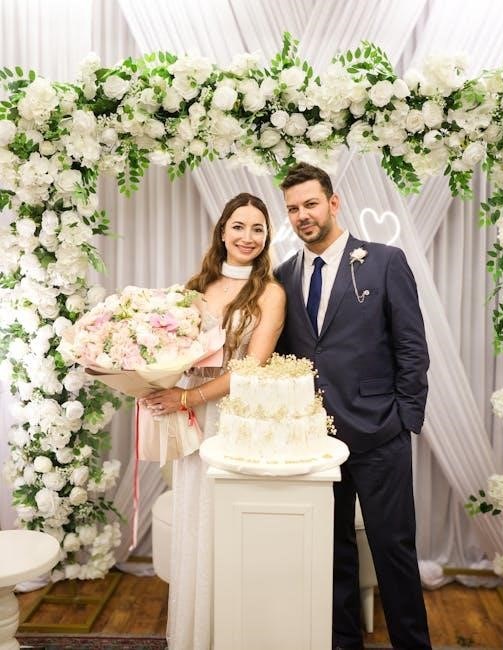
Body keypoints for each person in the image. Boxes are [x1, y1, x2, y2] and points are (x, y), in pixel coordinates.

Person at [275, 163, 431, 650]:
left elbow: (412, 347)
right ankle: (343, 644)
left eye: (310, 204)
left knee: (394, 551)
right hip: (315, 440)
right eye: (293, 209)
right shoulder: (283, 275)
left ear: (333, 203)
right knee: (332, 551)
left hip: (380, 433)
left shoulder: (384, 261)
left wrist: (405, 419)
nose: (303, 215)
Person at [143, 193, 285, 650]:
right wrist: (150, 379)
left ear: (267, 237)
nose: (248, 236)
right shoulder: (195, 288)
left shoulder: (270, 293)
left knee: (231, 525)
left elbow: (251, 368)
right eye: (239, 226)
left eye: (258, 228)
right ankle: (196, 635)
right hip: (190, 417)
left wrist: (188, 395)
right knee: (196, 521)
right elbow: (172, 352)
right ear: (222, 231)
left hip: (235, 418)